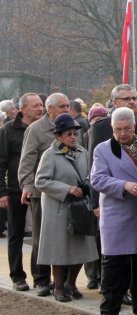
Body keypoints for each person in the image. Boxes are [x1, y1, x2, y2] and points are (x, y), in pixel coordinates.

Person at [87, 84, 137, 290]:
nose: (123, 133)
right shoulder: (102, 141)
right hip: (117, 213)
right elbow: (95, 176)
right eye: (118, 130)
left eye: (127, 129)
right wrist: (123, 185)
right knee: (114, 270)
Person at [34, 113, 99, 302]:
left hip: (80, 208)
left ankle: (72, 284)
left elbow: (89, 174)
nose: (72, 137)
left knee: (81, 247)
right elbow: (41, 181)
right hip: (59, 208)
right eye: (68, 134)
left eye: (74, 134)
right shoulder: (50, 154)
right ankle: (59, 287)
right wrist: (66, 189)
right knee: (60, 249)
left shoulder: (82, 152)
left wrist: (85, 185)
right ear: (58, 136)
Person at [18, 92, 73, 296]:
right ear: (50, 109)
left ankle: (66, 281)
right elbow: (27, 161)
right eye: (62, 106)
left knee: (66, 237)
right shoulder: (36, 129)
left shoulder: (72, 127)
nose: (66, 109)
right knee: (41, 239)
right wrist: (27, 186)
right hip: (41, 193)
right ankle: (41, 279)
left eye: (68, 106)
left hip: (67, 193)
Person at [0, 93, 44, 292]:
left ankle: (40, 276)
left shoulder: (45, 128)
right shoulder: (9, 130)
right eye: (35, 105)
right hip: (16, 189)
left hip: (41, 189)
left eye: (41, 105)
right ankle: (17, 276)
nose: (40, 108)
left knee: (40, 235)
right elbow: (1, 162)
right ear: (22, 109)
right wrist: (2, 192)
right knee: (16, 234)